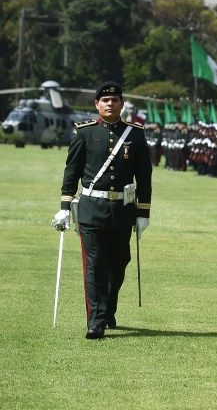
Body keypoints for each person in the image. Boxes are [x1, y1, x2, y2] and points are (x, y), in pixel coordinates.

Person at [52, 81, 152, 340]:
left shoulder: (135, 134)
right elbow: (71, 171)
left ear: (122, 104)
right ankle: (95, 320)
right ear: (96, 104)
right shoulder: (84, 133)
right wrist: (64, 207)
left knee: (118, 265)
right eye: (105, 100)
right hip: (91, 210)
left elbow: (145, 176)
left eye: (115, 100)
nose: (110, 103)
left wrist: (143, 214)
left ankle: (108, 310)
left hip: (122, 210)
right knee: (95, 265)